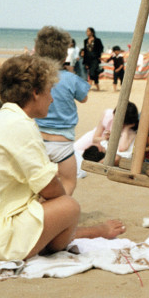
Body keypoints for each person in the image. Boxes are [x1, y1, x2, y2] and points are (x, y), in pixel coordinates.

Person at [0, 54, 125, 266]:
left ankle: (73, 233)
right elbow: (53, 193)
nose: (52, 98)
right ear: (36, 92)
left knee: (43, 200)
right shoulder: (21, 126)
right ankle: (83, 233)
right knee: (69, 206)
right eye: (49, 91)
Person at [33, 25, 89, 193]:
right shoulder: (71, 79)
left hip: (36, 137)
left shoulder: (35, 77)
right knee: (68, 182)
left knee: (36, 183)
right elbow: (84, 98)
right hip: (62, 142)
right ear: (65, 54)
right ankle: (60, 212)